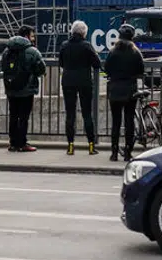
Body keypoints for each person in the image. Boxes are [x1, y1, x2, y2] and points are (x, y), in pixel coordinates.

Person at [58, 20, 101, 156]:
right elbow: (97, 64)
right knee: (87, 114)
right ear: (84, 33)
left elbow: (61, 63)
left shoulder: (64, 45)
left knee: (70, 114)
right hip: (84, 82)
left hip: (68, 82)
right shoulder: (87, 46)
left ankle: (70, 146)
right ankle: (91, 145)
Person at [104, 24, 146, 160]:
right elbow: (141, 70)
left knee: (116, 122)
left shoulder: (113, 52)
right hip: (130, 90)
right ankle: (128, 151)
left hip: (115, 89)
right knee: (129, 121)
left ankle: (114, 152)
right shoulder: (135, 53)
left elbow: (106, 68)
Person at [1, 25, 45, 153]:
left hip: (11, 88)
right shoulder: (32, 51)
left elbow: (3, 67)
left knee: (13, 115)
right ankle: (22, 143)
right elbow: (41, 68)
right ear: (26, 36)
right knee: (23, 117)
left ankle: (13, 143)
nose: (33, 39)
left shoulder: (7, 50)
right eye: (32, 36)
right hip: (26, 89)